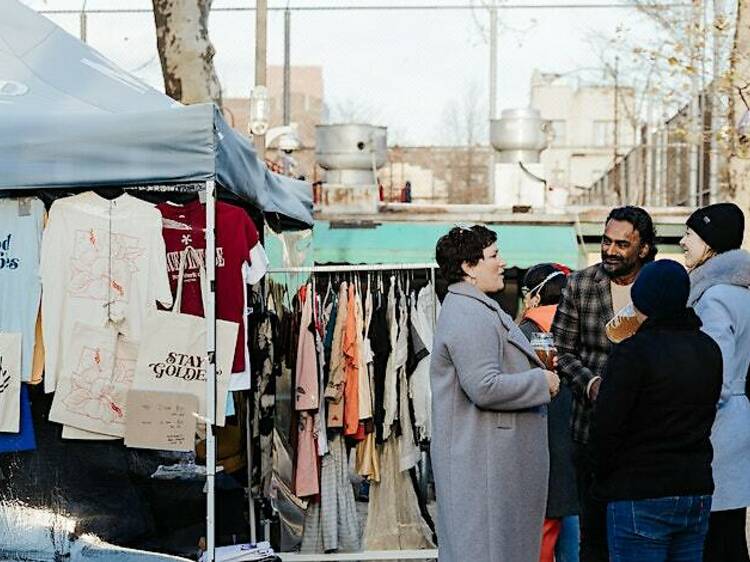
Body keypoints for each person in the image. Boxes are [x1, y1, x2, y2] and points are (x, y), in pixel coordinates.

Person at [430, 225, 559, 562]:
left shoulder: (474, 308)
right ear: (468, 267)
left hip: (487, 463)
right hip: (484, 468)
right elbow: (484, 386)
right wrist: (541, 383)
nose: (502, 263)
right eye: (494, 255)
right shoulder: (469, 314)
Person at [590, 259, 722, 562]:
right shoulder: (708, 349)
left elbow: (606, 426)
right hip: (694, 487)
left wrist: (603, 477)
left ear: (642, 297)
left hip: (640, 490)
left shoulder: (633, 352)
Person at [552, 206, 657, 562]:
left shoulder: (658, 287)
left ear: (643, 248)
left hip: (645, 433)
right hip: (589, 430)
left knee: (641, 532)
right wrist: (591, 383)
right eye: (606, 241)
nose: (610, 250)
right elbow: (562, 352)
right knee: (593, 534)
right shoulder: (580, 284)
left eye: (622, 244)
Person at [680, 202, 750, 562]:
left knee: (713, 536)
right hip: (736, 422)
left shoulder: (715, 297)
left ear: (709, 242)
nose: (683, 241)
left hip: (717, 427)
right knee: (730, 530)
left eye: (690, 234)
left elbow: (714, 375)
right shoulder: (741, 291)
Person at [519, 263, 580, 562]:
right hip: (580, 437)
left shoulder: (525, 333)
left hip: (539, 438)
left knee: (541, 534)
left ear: (533, 297)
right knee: (576, 531)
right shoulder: (583, 324)